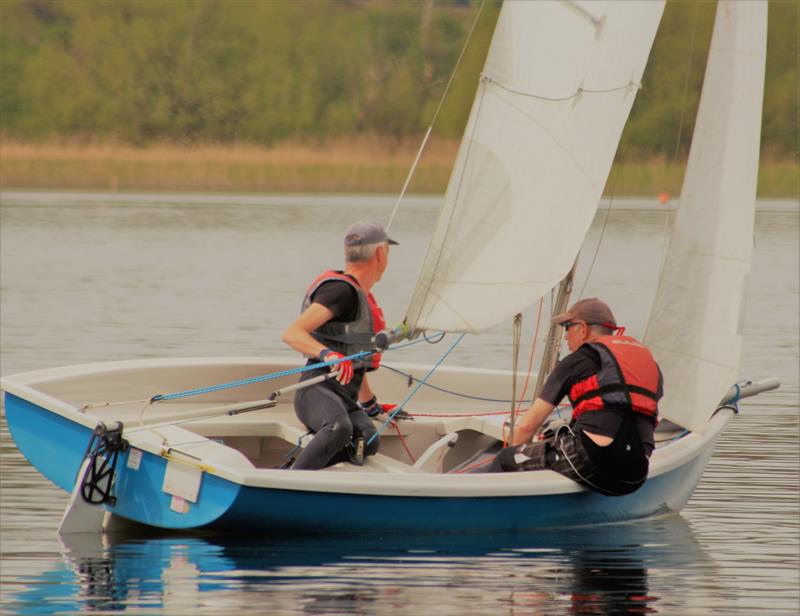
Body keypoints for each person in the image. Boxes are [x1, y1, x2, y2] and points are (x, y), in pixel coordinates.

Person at [485, 298, 663, 496]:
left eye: (567, 327)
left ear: (583, 328)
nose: (566, 336)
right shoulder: (647, 366)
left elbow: (527, 427)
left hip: (594, 460)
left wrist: (514, 459)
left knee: (506, 458)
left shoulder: (576, 361)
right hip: (636, 472)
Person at [282, 221, 397, 470]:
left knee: (370, 439)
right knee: (339, 428)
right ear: (380, 254)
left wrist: (370, 405)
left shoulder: (357, 296)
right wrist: (328, 354)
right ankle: (290, 483)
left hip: (344, 397)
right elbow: (293, 333)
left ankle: (297, 473)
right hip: (316, 391)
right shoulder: (340, 291)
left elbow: (355, 360)